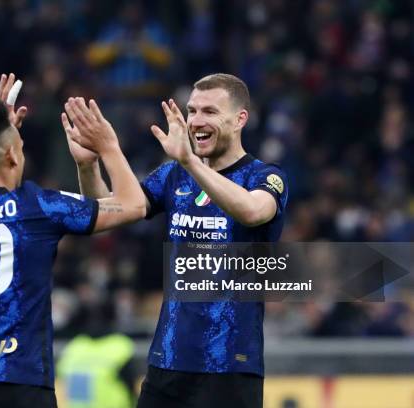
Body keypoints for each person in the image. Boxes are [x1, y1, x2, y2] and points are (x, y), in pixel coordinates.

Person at [0, 73, 146, 408]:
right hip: (21, 377)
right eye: (20, 149)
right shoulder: (38, 207)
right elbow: (134, 205)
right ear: (12, 156)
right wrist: (108, 147)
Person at [68, 73, 288, 408]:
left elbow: (252, 211)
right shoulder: (173, 176)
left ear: (240, 119)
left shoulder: (265, 177)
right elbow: (112, 213)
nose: (197, 120)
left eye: (210, 112)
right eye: (192, 111)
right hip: (167, 362)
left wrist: (189, 162)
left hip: (229, 363)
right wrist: (89, 166)